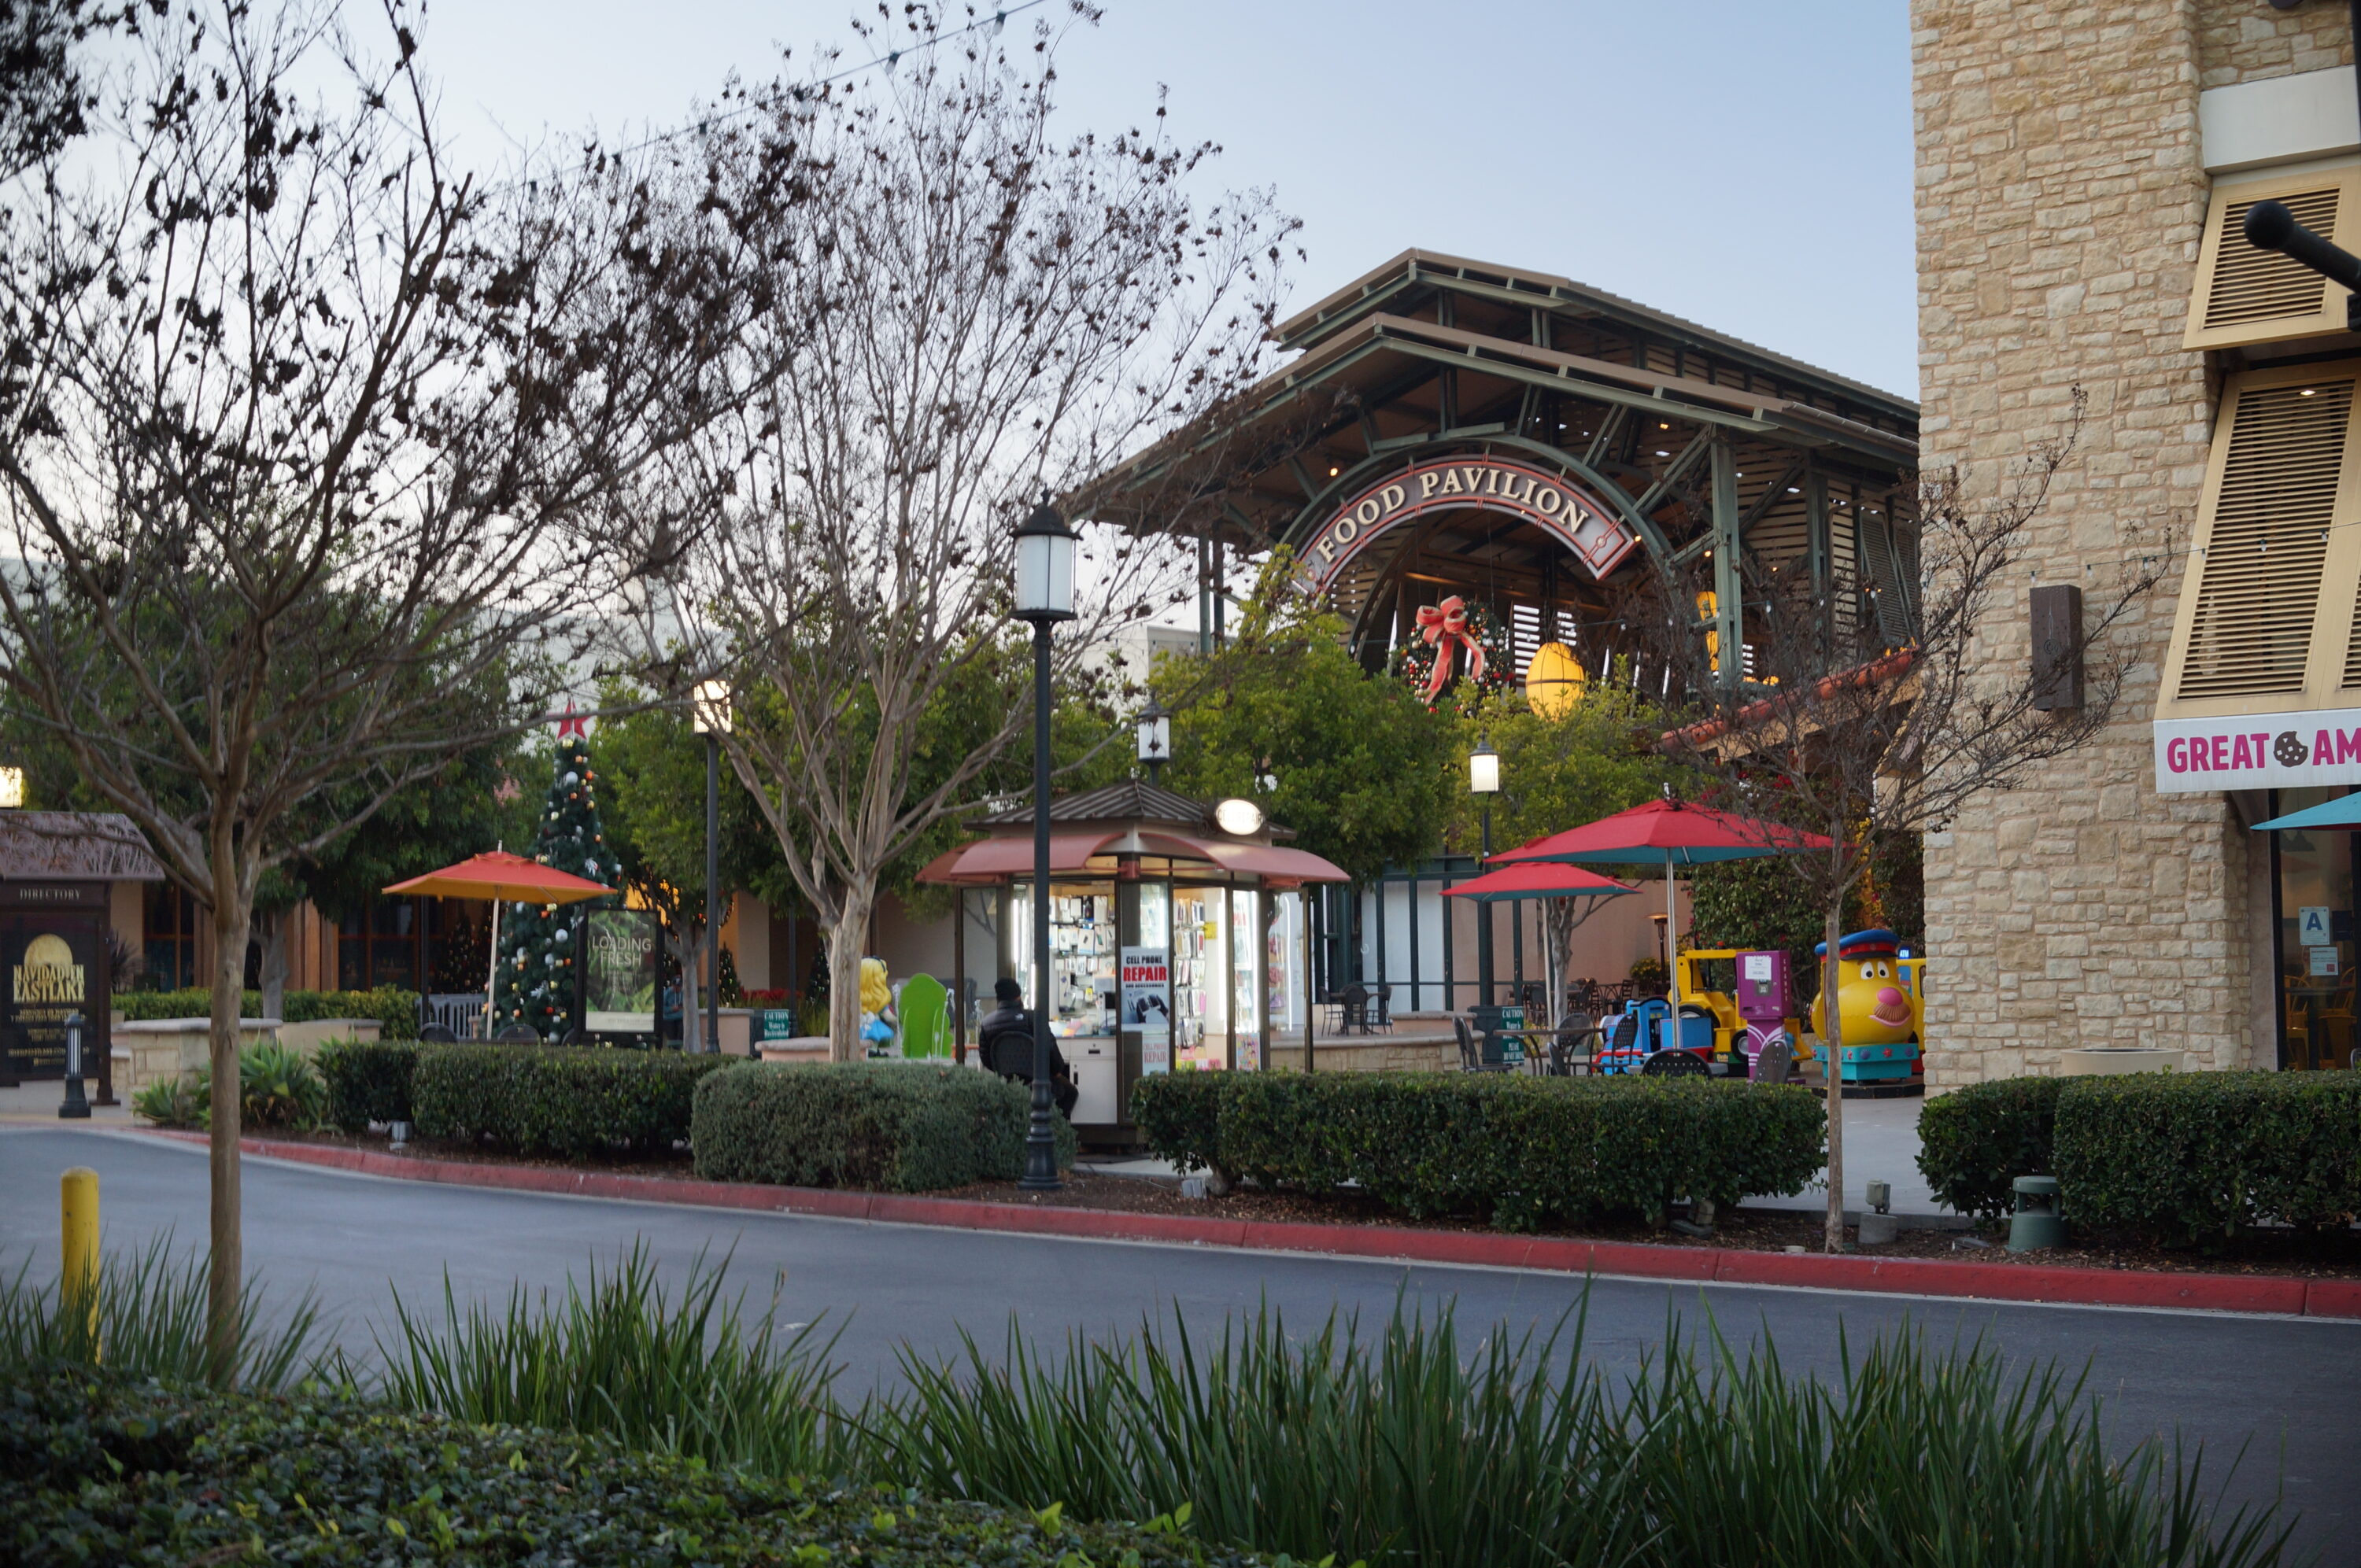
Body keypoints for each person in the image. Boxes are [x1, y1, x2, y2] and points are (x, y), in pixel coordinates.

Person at [975, 976, 1078, 1120]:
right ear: (1018, 996)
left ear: (999, 999)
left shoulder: (987, 1023)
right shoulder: (1033, 1018)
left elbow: (986, 1057)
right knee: (1070, 1093)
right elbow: (1050, 1048)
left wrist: (1005, 1073)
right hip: (1038, 1081)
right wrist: (1057, 1071)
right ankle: (1057, 1130)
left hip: (1007, 1082)